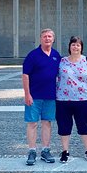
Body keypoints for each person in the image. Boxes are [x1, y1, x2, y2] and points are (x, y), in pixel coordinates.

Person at [55, 36, 87, 163]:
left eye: (78, 45)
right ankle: (65, 151)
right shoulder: (62, 61)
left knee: (84, 125)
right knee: (64, 126)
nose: (75, 47)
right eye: (73, 44)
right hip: (63, 99)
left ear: (81, 47)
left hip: (84, 99)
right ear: (69, 47)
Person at [22, 29, 61, 166]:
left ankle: (45, 150)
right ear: (40, 39)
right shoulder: (32, 55)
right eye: (44, 36)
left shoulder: (56, 55)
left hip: (50, 96)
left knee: (47, 123)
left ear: (53, 39)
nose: (47, 38)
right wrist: (27, 94)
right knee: (32, 123)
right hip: (34, 96)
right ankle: (32, 151)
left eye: (50, 36)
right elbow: (25, 75)